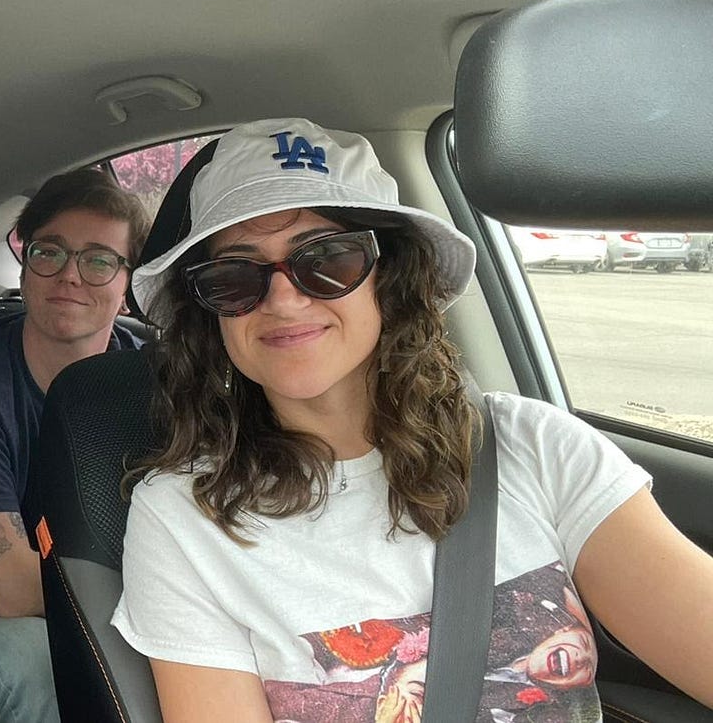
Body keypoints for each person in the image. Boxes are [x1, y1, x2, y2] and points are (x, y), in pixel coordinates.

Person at [111, 117, 713, 721]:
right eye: (235, 276)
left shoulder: (537, 447)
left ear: (390, 276)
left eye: (327, 259)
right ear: (212, 313)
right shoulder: (184, 520)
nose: (284, 299)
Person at [0, 167, 151, 722]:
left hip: (117, 590)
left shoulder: (150, 375)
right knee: (46, 668)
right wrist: (169, 602)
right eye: (50, 252)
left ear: (127, 282)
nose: (70, 276)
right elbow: (13, 587)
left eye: (99, 259)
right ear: (26, 263)